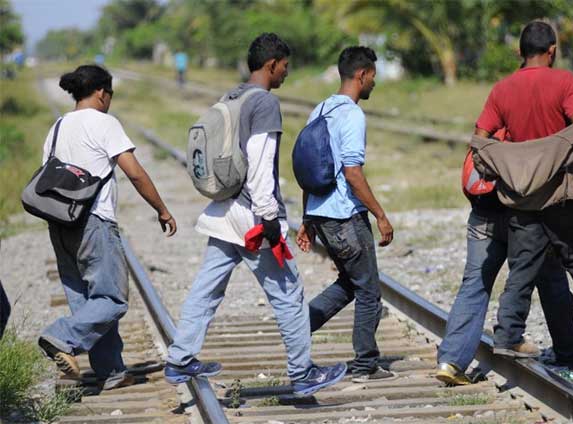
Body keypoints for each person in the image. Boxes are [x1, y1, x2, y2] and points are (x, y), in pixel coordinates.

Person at [164, 33, 346, 397]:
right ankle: (302, 372)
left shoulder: (232, 95)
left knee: (206, 287)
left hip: (223, 211)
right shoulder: (264, 104)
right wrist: (269, 221)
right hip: (251, 218)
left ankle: (180, 358)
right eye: (285, 67)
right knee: (289, 292)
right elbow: (261, 162)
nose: (286, 74)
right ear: (271, 64)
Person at [474, 21, 573, 370]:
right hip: (566, 194)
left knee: (522, 267)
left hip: (524, 198)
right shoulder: (565, 81)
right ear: (552, 50)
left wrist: (509, 166)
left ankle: (508, 334)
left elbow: (480, 138)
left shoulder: (502, 90)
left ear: (520, 51)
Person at [38, 65, 177, 390]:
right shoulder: (104, 123)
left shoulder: (57, 126)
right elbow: (135, 172)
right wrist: (161, 209)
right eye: (110, 94)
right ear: (102, 92)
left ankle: (111, 371)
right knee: (112, 299)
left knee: (88, 302)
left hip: (59, 224)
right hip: (93, 222)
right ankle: (61, 335)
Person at [436, 132, 573, 385]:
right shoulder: (537, 127)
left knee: (474, 284)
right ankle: (570, 353)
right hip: (527, 221)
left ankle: (450, 361)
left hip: (483, 216)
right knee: (552, 282)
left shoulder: (492, 121)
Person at [296, 46, 396, 383]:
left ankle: (299, 328)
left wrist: (308, 218)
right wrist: (380, 215)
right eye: (373, 77)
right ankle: (366, 363)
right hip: (345, 217)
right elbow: (352, 172)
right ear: (362, 74)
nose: (374, 84)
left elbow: (308, 169)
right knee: (369, 291)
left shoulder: (320, 110)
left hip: (322, 216)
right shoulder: (353, 115)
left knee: (349, 283)